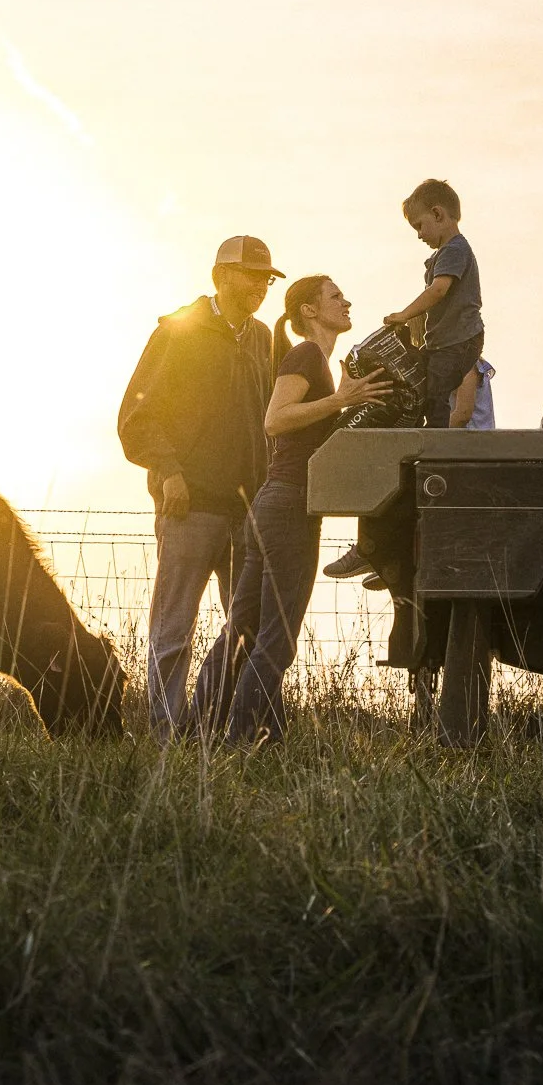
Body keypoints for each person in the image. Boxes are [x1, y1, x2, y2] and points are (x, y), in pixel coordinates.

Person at [189, 275, 388, 743]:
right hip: (289, 507)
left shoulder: (320, 361)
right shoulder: (306, 355)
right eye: (335, 296)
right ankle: (245, 742)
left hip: (274, 504)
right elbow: (276, 420)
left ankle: (199, 734)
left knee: (243, 629)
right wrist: (341, 400)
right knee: (276, 639)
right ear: (309, 311)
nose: (346, 300)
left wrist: (342, 401)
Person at [118, 236, 283, 738]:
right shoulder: (178, 331)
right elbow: (136, 417)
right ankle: (167, 735)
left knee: (247, 630)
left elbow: (275, 421)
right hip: (189, 506)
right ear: (221, 276)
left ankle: (226, 730)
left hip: (248, 512)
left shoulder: (264, 342)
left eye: (266, 278)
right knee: (173, 631)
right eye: (251, 275)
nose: (260, 285)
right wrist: (169, 472)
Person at [386, 180, 484, 430]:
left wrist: (404, 315)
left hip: (458, 340)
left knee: (436, 394)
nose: (419, 235)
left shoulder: (454, 250)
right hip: (443, 342)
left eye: (419, 226)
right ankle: (426, 430)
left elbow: (438, 291)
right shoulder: (444, 254)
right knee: (421, 380)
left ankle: (435, 441)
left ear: (438, 214)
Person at [450, 354, 496, 430]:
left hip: (472, 438)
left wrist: (433, 433)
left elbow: (463, 415)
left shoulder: (466, 365)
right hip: (477, 437)